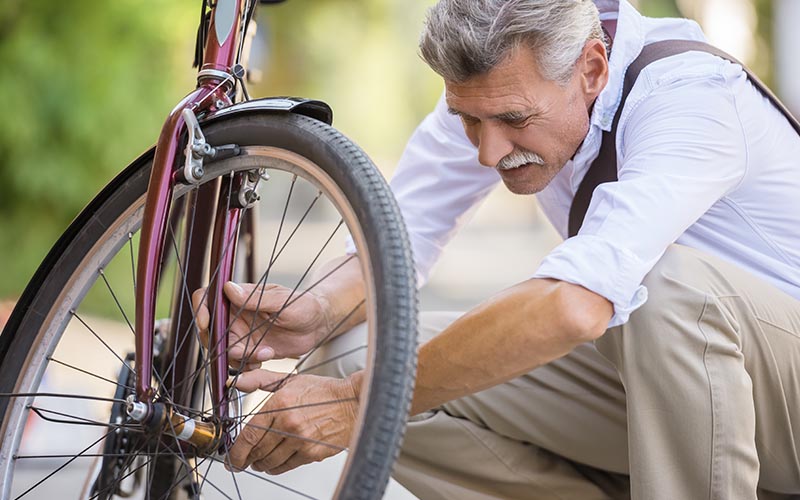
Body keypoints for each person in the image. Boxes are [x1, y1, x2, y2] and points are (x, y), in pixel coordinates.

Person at [193, 0, 800, 498]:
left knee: (667, 290)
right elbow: (400, 236)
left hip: (784, 405)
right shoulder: (501, 90)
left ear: (592, 67)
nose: (488, 152)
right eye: (470, 122)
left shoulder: (689, 98)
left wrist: (357, 406)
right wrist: (319, 311)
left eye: (513, 120)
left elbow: (575, 305)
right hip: (676, 389)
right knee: (362, 355)